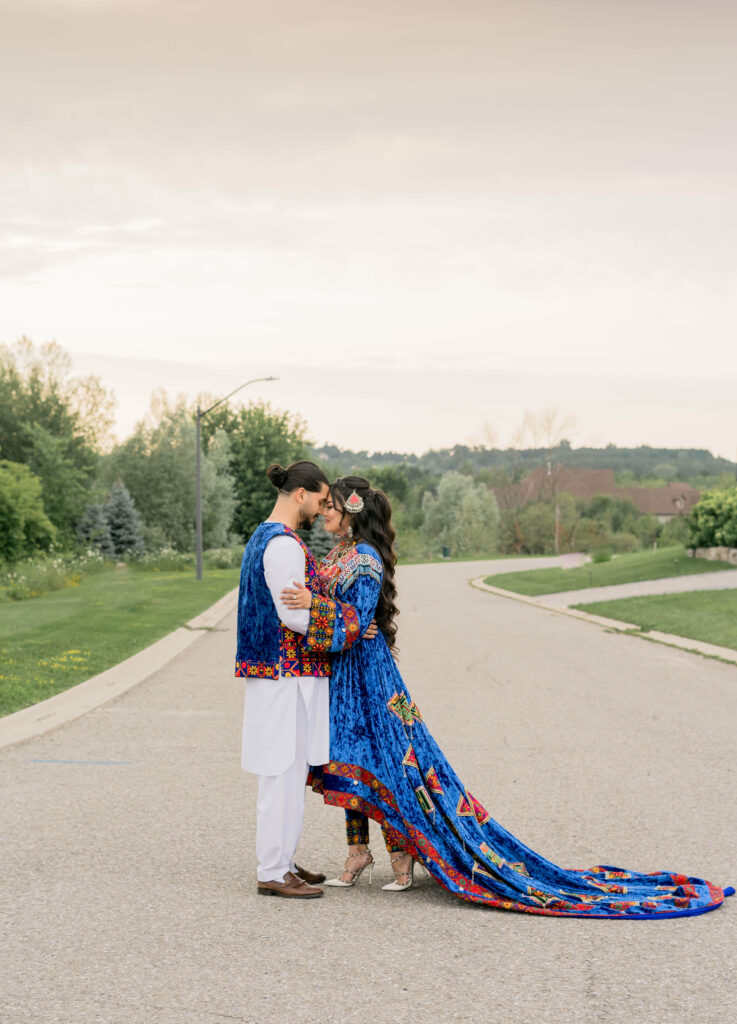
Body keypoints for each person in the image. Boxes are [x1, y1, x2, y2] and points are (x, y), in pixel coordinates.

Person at [282, 476, 734, 917]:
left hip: (368, 677)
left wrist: (314, 608)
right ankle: (358, 851)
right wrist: (313, 603)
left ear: (351, 512)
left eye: (331, 507)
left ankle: (403, 856)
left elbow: (357, 620)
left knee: (389, 763)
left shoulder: (364, 559)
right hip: (342, 676)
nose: (324, 513)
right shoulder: (339, 553)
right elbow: (337, 610)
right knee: (350, 761)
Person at [235, 461, 376, 899]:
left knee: (286, 771)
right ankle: (274, 871)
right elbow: (294, 615)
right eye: (318, 500)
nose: (320, 510)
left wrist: (321, 606)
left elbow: (298, 607)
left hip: (279, 674)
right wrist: (348, 621)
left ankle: (281, 860)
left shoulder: (267, 538)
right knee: (282, 771)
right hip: (287, 676)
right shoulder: (285, 546)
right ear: (300, 495)